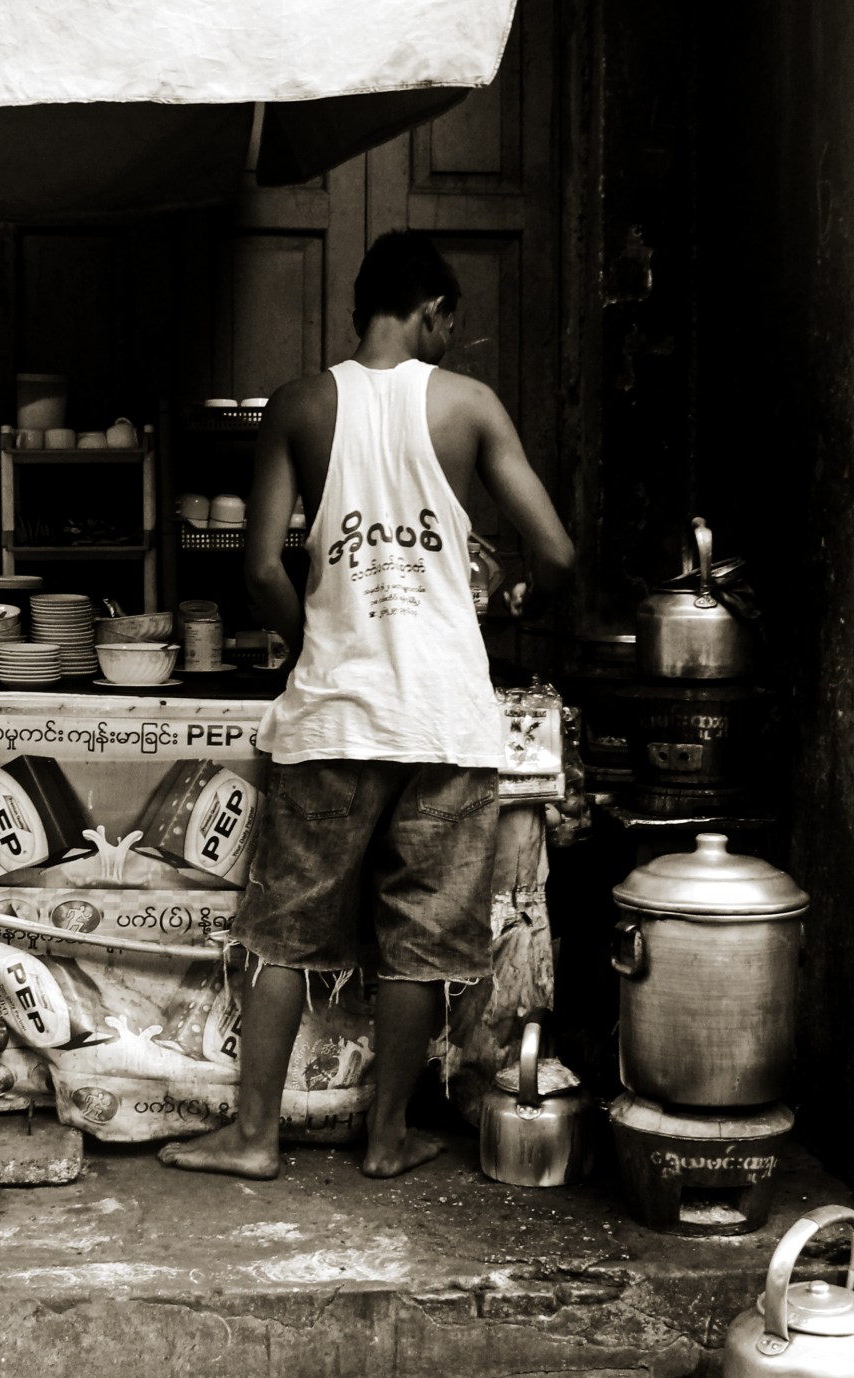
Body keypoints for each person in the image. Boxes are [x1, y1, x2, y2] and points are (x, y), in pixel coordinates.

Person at [160, 231, 576, 1180]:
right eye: (449, 324)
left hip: (336, 716)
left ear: (362, 306)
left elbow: (261, 565)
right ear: (432, 311)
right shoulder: (469, 405)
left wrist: (322, 643)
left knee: (285, 931)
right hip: (444, 719)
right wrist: (508, 610)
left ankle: (256, 1139)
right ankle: (387, 1139)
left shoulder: (302, 403)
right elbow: (555, 555)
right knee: (421, 941)